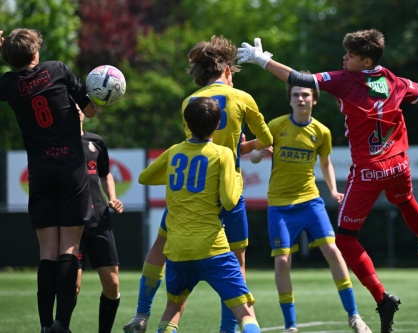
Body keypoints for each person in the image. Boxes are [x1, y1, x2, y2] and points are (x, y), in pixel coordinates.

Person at [237, 29, 418, 333]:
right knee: (405, 200)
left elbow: (300, 79)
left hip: (369, 170)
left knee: (344, 240)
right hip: (399, 164)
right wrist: (406, 100)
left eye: (351, 55)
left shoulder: (346, 80)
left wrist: (263, 60)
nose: (344, 58)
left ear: (365, 59)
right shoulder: (394, 80)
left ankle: (382, 298)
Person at [123, 35, 272, 333]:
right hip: (226, 189)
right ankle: (229, 329)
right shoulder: (242, 98)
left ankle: (141, 314)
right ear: (227, 69)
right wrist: (243, 147)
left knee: (161, 246)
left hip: (189, 194)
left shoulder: (190, 102)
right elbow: (267, 140)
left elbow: (197, 142)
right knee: (236, 261)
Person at [250, 79, 371, 333]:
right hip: (280, 206)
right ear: (290, 99)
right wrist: (259, 154)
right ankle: (290, 325)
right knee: (282, 261)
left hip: (310, 201)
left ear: (314, 99)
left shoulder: (322, 131)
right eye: (296, 95)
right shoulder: (276, 126)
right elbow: (256, 151)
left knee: (333, 250)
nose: (301, 99)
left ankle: (354, 316)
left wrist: (334, 190)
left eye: (305, 95)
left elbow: (325, 163)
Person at [0, 28, 98, 333]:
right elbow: (91, 110)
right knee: (70, 247)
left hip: (40, 173)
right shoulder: (57, 70)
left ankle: (44, 326)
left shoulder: (9, 83)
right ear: (35, 52)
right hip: (71, 169)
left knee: (47, 252)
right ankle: (63, 325)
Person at [138, 97, 261, 333]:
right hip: (212, 248)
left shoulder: (174, 152)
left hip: (177, 250)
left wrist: (176, 180)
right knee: (244, 311)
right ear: (218, 125)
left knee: (173, 308)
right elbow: (228, 200)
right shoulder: (223, 154)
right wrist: (236, 178)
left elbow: (144, 177)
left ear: (187, 122)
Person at [74, 109, 124, 333]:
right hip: (72, 223)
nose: (76, 110)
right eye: (71, 106)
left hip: (100, 219)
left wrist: (113, 198)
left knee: (113, 285)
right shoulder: (57, 145)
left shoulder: (96, 141)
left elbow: (105, 173)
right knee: (72, 287)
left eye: (78, 107)